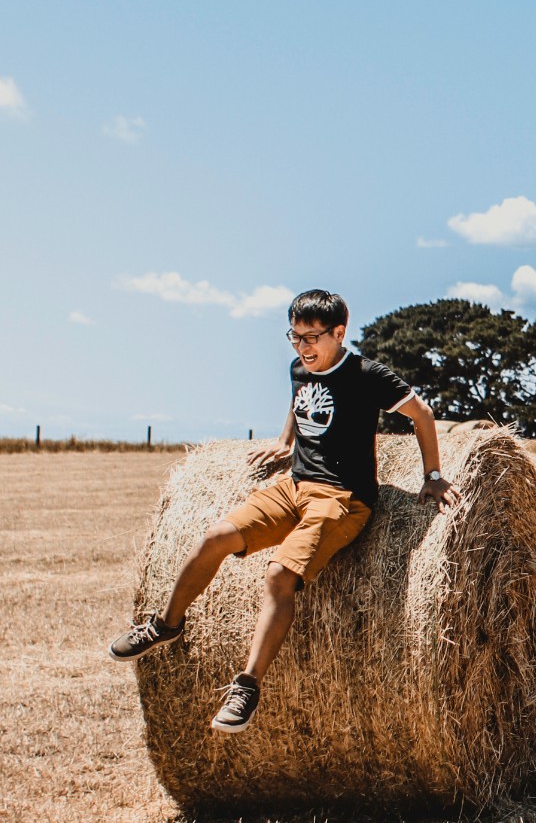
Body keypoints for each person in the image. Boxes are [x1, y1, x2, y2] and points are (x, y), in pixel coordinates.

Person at [106, 289, 461, 732]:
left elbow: (422, 414)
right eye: (295, 337)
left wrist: (431, 476)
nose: (303, 347)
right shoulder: (299, 367)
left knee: (278, 574)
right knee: (214, 538)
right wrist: (283, 441)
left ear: (339, 333)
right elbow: (300, 398)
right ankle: (165, 625)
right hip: (293, 487)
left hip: (344, 499)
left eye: (312, 338)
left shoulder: (366, 375)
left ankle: (248, 685)